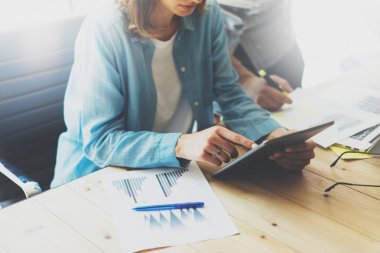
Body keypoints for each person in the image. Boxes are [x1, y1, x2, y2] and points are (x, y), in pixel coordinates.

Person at [51, 0, 316, 188]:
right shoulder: (104, 30)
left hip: (168, 174)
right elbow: (101, 141)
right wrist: (180, 144)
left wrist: (275, 135)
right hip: (92, 182)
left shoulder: (206, 15)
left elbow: (229, 94)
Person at [219, 0, 304, 110]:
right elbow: (207, 40)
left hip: (282, 47)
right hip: (234, 59)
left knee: (295, 108)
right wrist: (245, 79)